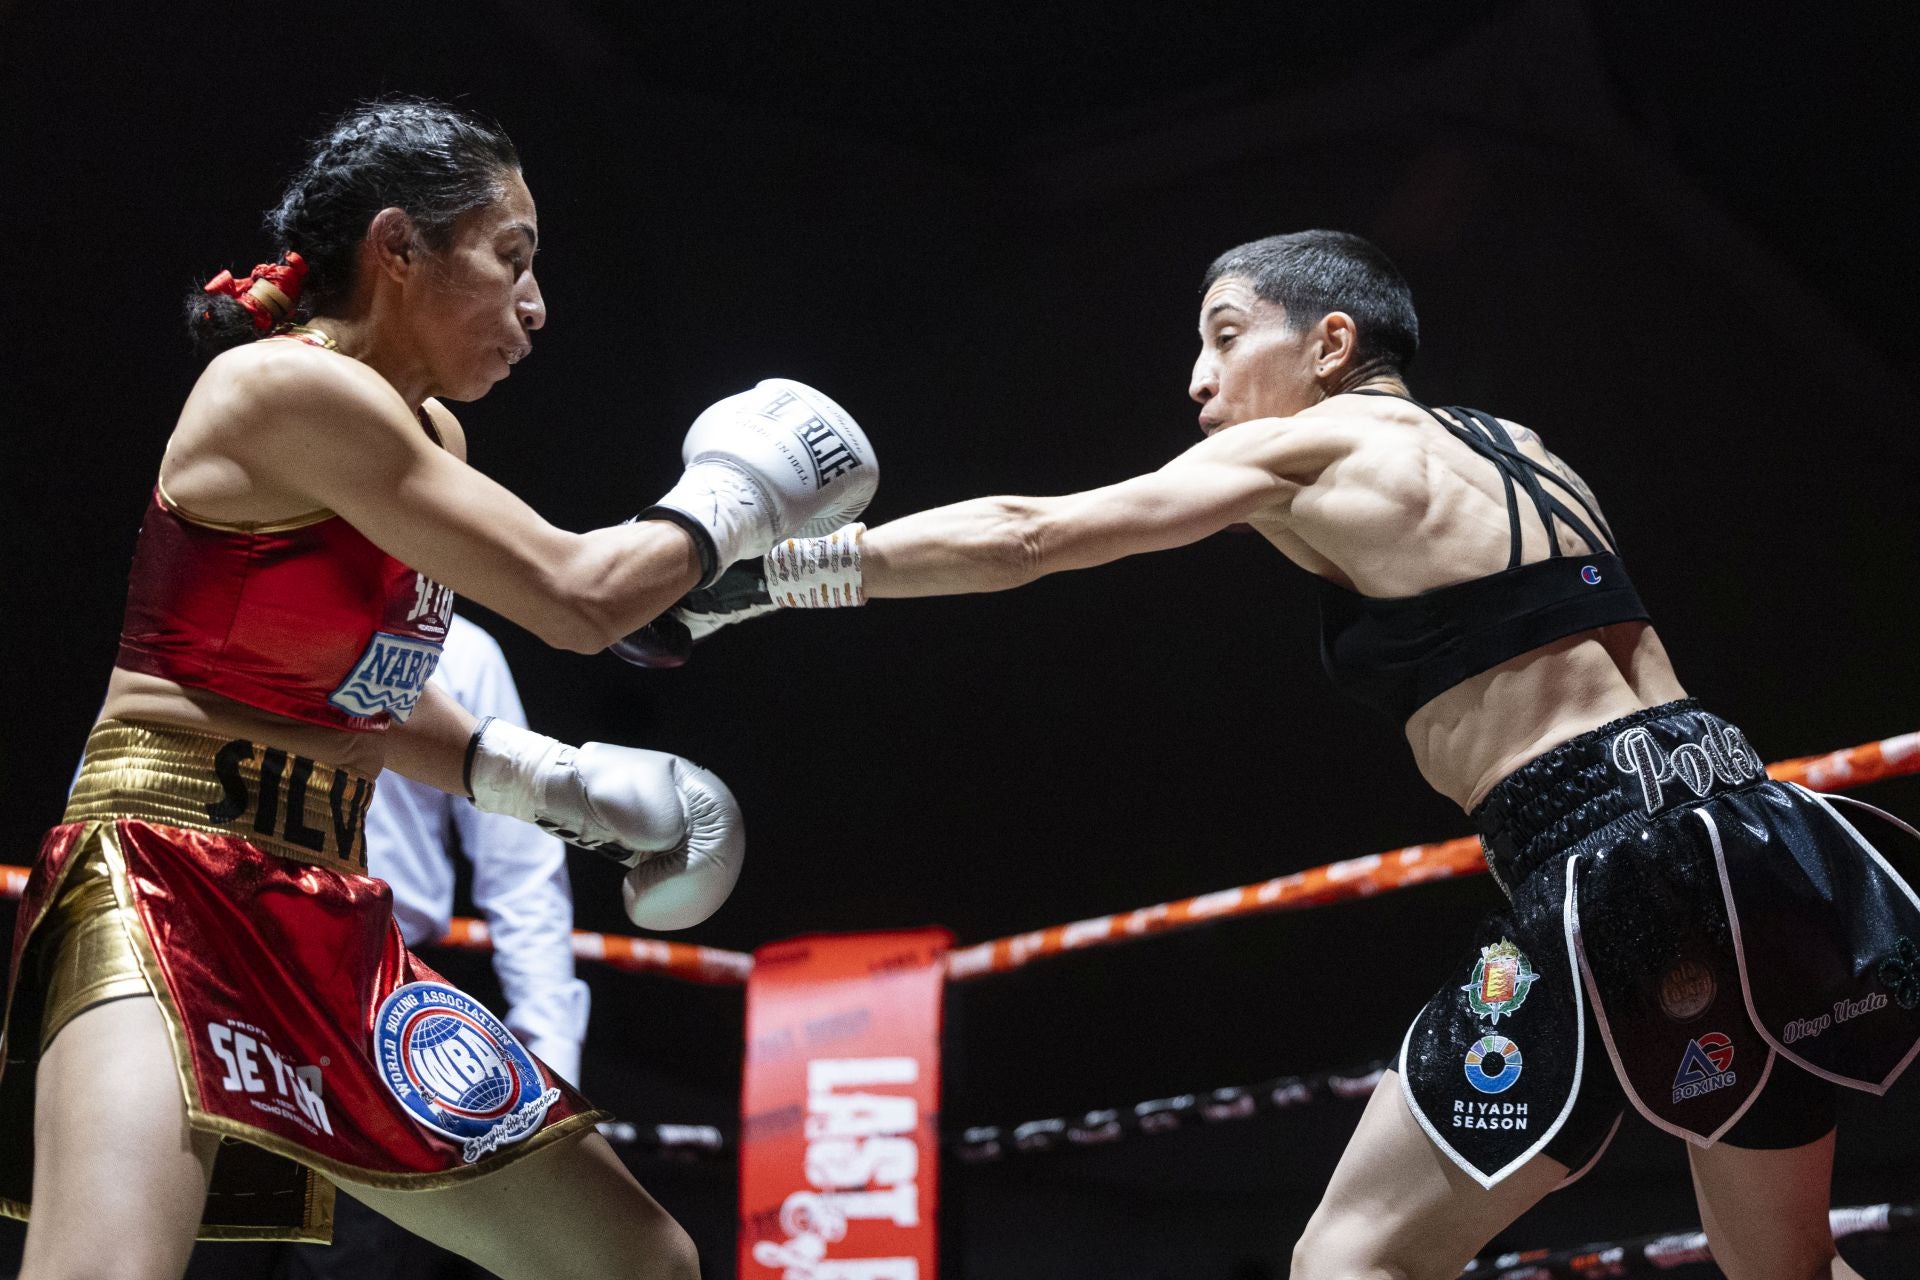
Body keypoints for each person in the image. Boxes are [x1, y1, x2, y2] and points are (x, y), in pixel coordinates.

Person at [637, 230, 1920, 1280]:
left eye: (1224, 333)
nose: (1198, 379)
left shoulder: (1317, 443)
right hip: (1747, 822)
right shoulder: (1525, 446)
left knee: (1350, 1258)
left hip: (1609, 860)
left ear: (1331, 344)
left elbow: (1035, 532)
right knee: (1786, 1268)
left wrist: (764, 580)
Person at [0, 97, 873, 1280]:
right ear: (399, 248)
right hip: (162, 865)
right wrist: (741, 490)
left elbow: (368, 687)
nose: (536, 304)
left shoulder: (434, 440)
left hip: (325, 903)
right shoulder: (278, 390)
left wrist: (546, 781)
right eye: (510, 257)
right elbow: (579, 594)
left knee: (638, 1260)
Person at [280, 613, 589, 1280]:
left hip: (378, 994)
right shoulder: (220, 598)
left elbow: (521, 866)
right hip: (212, 968)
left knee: (360, 1260)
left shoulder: (459, 650)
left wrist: (553, 1069)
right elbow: (116, 787)